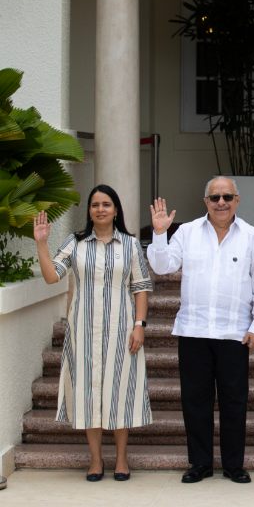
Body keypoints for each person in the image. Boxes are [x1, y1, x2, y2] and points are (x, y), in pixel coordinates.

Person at [146, 176, 254, 484]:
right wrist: (160, 234)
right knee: (195, 401)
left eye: (227, 197)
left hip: (234, 334)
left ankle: (233, 465)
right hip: (194, 332)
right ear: (205, 202)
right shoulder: (187, 233)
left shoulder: (252, 236)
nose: (221, 203)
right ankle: (199, 464)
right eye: (215, 197)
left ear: (237, 201)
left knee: (234, 402)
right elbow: (162, 266)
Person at [34, 184, 153, 482]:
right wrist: (41, 244)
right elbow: (52, 277)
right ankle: (96, 460)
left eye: (106, 204)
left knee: (120, 391)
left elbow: (140, 289)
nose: (100, 209)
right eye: (95, 204)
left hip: (122, 330)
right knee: (88, 394)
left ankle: (122, 460)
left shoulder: (129, 244)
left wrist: (140, 326)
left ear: (116, 210)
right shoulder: (75, 243)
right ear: (89, 211)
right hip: (83, 332)